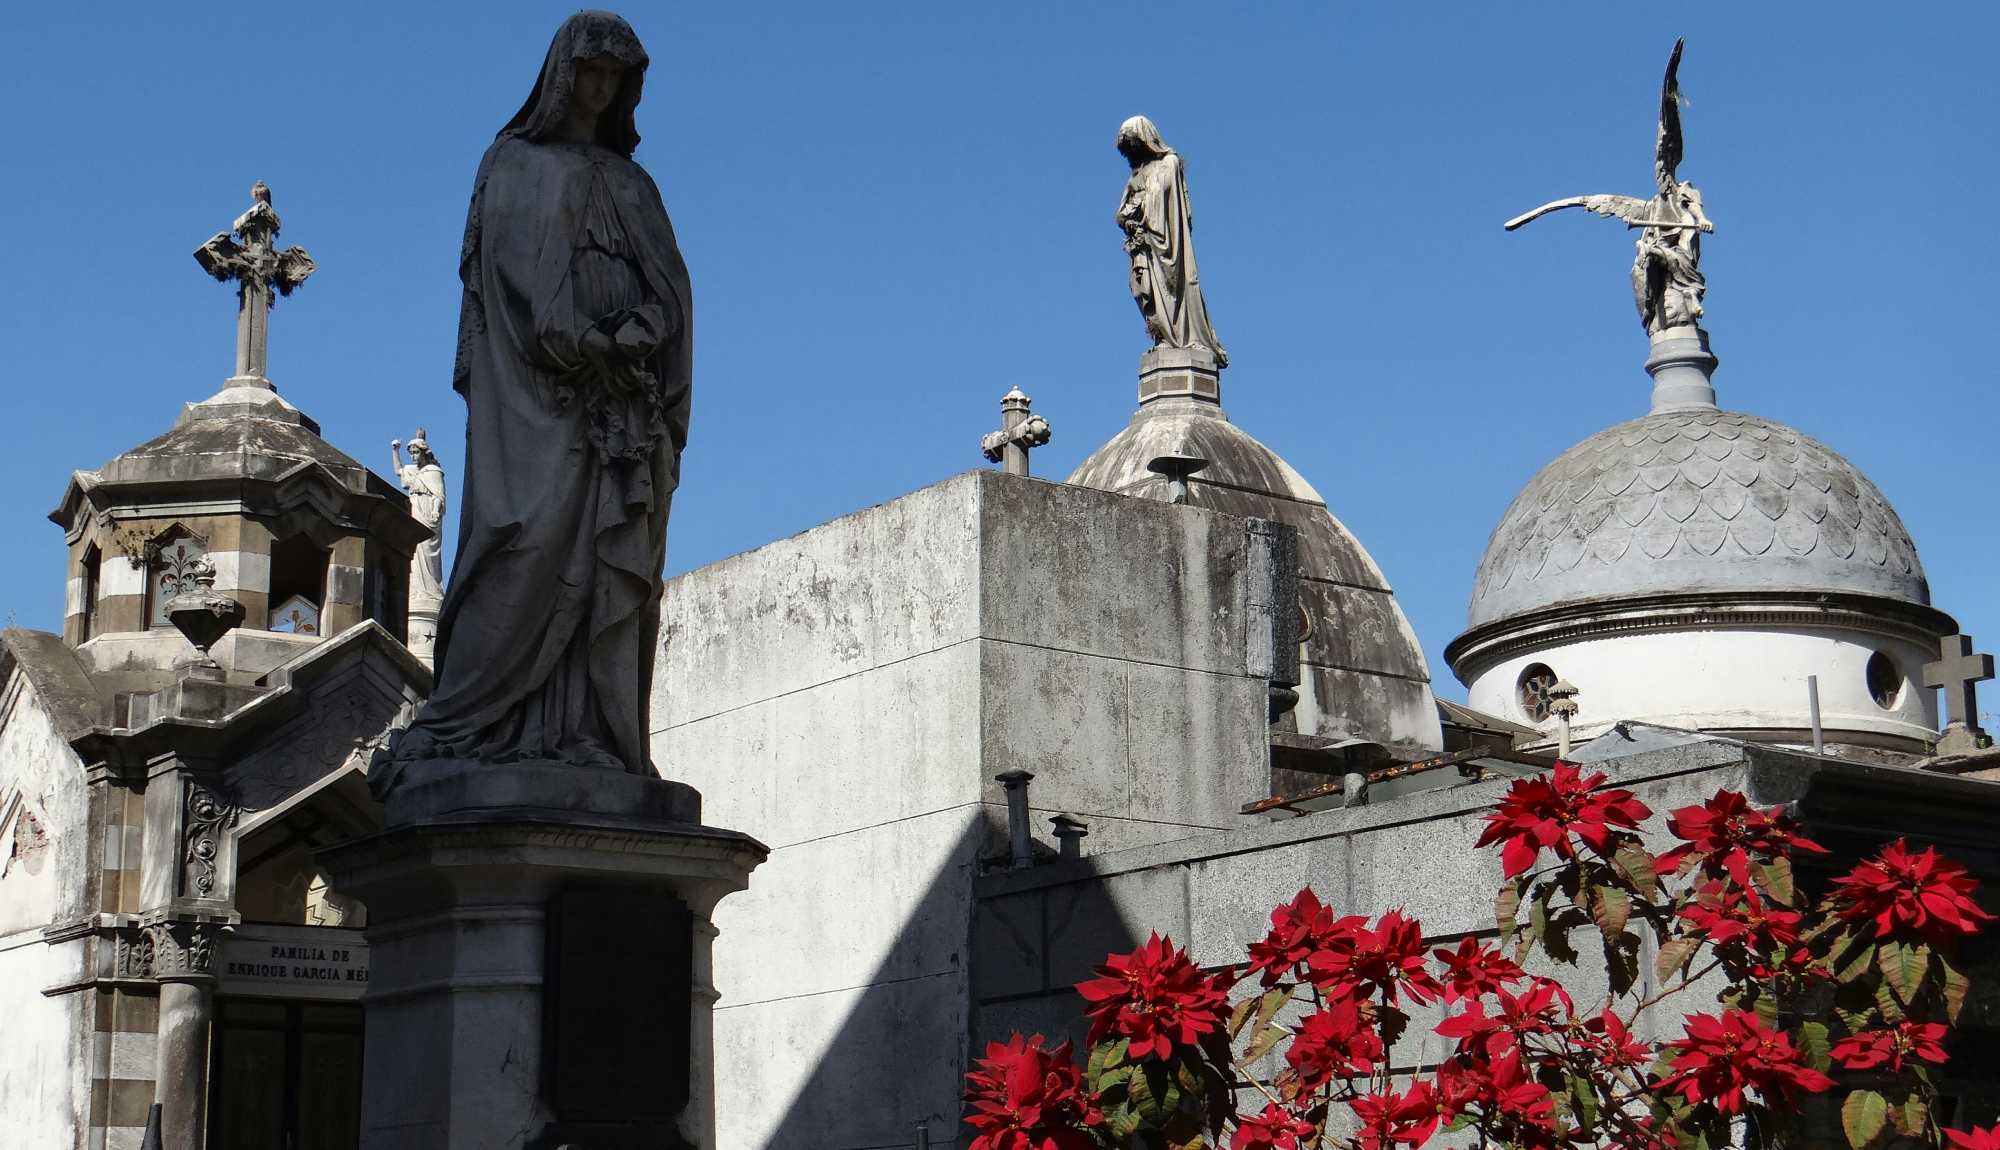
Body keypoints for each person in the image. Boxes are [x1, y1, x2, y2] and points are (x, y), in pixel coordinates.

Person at [373, 10, 692, 791]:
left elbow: (674, 291)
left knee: (609, 568)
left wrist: (645, 331)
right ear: (560, 75)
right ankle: (473, 724)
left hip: (623, 408)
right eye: (590, 71)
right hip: (541, 402)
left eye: (616, 77)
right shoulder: (512, 163)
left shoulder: (632, 182)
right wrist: (577, 341)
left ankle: (590, 734)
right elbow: (510, 286)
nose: (601, 87)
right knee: (523, 542)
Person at [1116, 115, 1226, 366]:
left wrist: (1141, 211)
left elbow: (1165, 205)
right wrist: (1129, 217)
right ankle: (1162, 336)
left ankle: (1181, 336)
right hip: (1143, 246)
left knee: (1172, 287)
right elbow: (1120, 211)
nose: (1133, 152)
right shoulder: (1138, 174)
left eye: (1135, 144)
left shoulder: (1169, 163)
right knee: (1140, 288)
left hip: (1167, 244)